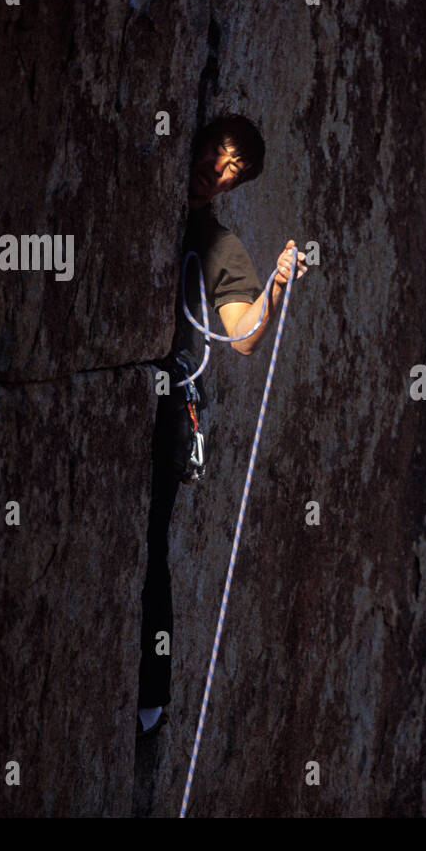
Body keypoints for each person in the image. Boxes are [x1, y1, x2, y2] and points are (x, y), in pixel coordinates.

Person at [138, 114, 308, 737]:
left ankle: (152, 694)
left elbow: (239, 336)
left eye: (234, 169)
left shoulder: (214, 239)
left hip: (166, 396)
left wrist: (275, 289)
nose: (220, 169)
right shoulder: (152, 173)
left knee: (153, 541)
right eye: (220, 152)